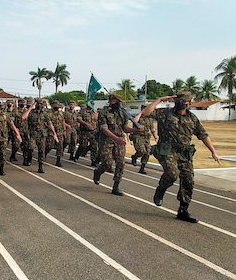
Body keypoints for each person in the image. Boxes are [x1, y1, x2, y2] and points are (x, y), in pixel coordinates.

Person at [141, 91, 221, 223]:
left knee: (189, 181)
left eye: (183, 102)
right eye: (178, 101)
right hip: (168, 151)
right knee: (172, 174)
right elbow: (146, 113)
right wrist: (160, 99)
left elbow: (203, 135)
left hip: (184, 153)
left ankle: (183, 210)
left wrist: (213, 151)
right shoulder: (165, 113)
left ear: (189, 104)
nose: (180, 104)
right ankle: (161, 189)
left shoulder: (192, 118)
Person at [93, 93, 144, 196]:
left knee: (121, 163)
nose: (117, 103)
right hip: (107, 140)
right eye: (115, 101)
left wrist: (135, 129)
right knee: (107, 162)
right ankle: (98, 172)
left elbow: (125, 128)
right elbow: (104, 128)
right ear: (110, 101)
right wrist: (116, 138)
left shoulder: (123, 113)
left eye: (118, 102)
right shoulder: (103, 112)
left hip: (120, 140)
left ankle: (116, 186)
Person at [22, 98, 58, 173]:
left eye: (41, 104)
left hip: (41, 135)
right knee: (30, 147)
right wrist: (30, 108)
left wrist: (54, 133)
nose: (39, 105)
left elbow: (49, 124)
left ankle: (40, 167)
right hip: (32, 134)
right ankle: (29, 157)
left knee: (41, 151)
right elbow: (23, 117)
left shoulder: (45, 114)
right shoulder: (31, 112)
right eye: (38, 104)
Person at [131, 105, 158, 174]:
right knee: (141, 151)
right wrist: (141, 113)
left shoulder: (150, 118)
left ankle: (142, 168)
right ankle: (134, 157)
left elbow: (152, 128)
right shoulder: (138, 116)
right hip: (138, 136)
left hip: (146, 137)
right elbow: (134, 121)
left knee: (148, 152)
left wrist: (155, 137)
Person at [45, 100, 66, 167]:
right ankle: (44, 154)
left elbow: (63, 122)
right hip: (51, 131)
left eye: (58, 106)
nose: (57, 107)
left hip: (59, 132)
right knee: (49, 145)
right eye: (55, 105)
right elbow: (45, 122)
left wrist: (64, 130)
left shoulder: (61, 113)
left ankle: (58, 160)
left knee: (60, 146)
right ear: (52, 106)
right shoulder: (48, 113)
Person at [11, 99, 29, 165]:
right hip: (17, 130)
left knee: (26, 145)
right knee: (16, 145)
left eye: (23, 102)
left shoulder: (27, 111)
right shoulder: (15, 111)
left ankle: (25, 159)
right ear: (18, 103)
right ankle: (13, 154)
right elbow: (12, 120)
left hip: (25, 130)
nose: (22, 103)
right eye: (21, 102)